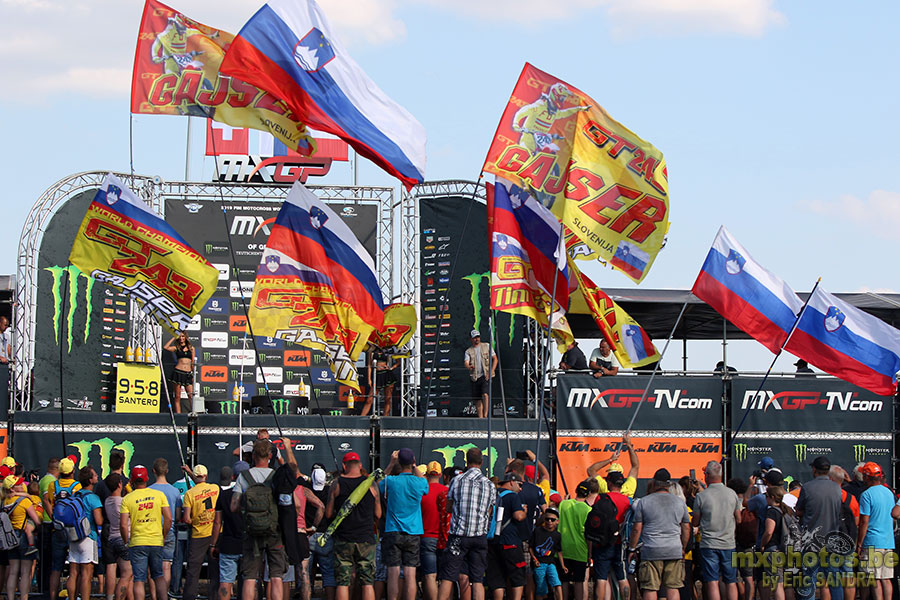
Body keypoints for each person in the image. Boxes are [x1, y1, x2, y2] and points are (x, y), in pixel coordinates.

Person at [230, 439, 290, 600]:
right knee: (276, 576)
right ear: (270, 456)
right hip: (274, 532)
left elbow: (233, 506)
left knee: (250, 577)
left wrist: (247, 512)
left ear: (253, 455)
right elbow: (289, 503)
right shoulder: (276, 476)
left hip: (251, 532)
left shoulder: (244, 477)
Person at [438, 448, 497, 600]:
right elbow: (490, 511)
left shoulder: (456, 480)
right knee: (477, 579)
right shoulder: (489, 485)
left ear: (466, 460)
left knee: (448, 576)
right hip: (479, 536)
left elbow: (449, 507)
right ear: (482, 462)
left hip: (458, 535)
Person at [627, 469, 691, 600]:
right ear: (668, 484)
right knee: (673, 587)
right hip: (674, 549)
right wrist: (683, 547)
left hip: (651, 550)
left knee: (650, 587)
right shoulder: (680, 503)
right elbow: (686, 528)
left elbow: (636, 529)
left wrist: (632, 549)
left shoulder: (644, 502)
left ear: (654, 483)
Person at [327, 451, 381, 600]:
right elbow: (378, 514)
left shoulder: (336, 484)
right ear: (360, 465)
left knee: (343, 582)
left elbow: (328, 514)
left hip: (343, 538)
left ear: (344, 466)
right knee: (368, 582)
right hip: (366, 538)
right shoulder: (371, 484)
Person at [380, 448, 428, 600]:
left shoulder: (391, 481)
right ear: (412, 462)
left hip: (393, 530)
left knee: (393, 572)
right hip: (413, 531)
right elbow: (425, 483)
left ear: (399, 463)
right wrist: (415, 466)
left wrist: (390, 464)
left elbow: (377, 482)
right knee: (410, 573)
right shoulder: (418, 482)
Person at [121, 465, 172, 600]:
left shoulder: (127, 499)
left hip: (137, 542)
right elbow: (169, 518)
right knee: (158, 576)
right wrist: (163, 535)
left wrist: (126, 541)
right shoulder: (158, 495)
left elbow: (123, 525)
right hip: (156, 540)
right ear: (147, 478)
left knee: (139, 579)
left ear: (132, 480)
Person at [692, 461, 741, 600]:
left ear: (707, 475)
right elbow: (738, 518)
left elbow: (695, 522)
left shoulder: (701, 497)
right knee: (731, 581)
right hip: (728, 543)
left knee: (712, 581)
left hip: (709, 544)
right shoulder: (732, 494)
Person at [794, 457, 842, 600]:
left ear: (814, 469)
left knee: (809, 579)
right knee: (834, 580)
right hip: (832, 540)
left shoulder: (807, 487)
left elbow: (798, 510)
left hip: (811, 542)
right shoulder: (837, 488)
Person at [590, 471, 632, 600]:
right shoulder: (627, 500)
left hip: (602, 542)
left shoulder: (601, 498)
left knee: (601, 578)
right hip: (620, 543)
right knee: (622, 577)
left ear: (609, 483)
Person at [486, 472, 527, 600]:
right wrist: (524, 511)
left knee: (497, 578)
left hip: (492, 542)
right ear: (511, 482)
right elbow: (518, 516)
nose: (520, 489)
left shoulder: (492, 494)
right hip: (510, 542)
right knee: (517, 576)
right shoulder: (512, 496)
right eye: (519, 485)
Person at [181, 464, 220, 600]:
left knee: (193, 570)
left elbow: (186, 518)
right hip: (215, 533)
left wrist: (195, 521)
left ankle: (189, 596)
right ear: (206, 476)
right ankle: (215, 596)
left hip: (198, 535)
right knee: (215, 570)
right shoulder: (215, 488)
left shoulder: (189, 494)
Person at [46, 456, 81, 600]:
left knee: (56, 568)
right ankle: (73, 597)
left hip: (57, 529)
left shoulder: (53, 485)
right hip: (73, 530)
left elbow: (48, 502)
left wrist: (54, 517)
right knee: (74, 568)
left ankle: (52, 597)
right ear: (72, 470)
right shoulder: (77, 486)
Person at [857, 462, 894, 600]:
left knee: (875, 578)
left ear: (866, 477)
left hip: (872, 541)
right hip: (888, 542)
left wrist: (859, 543)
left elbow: (864, 521)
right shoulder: (889, 493)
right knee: (886, 578)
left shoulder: (866, 495)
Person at [66, 467, 103, 600]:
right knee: (87, 574)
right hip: (88, 536)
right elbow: (98, 521)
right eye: (95, 475)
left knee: (73, 573)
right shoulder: (93, 498)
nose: (97, 476)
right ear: (90, 480)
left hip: (73, 536)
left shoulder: (75, 495)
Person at [212, 462, 247, 600]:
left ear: (233, 477)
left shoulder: (224, 495)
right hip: (247, 544)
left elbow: (217, 522)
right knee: (249, 582)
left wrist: (213, 544)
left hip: (228, 544)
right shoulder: (252, 495)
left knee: (225, 582)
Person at [3, 475, 41, 600]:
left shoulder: (5, 501)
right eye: (18, 484)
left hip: (10, 538)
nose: (22, 486)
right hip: (24, 536)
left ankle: (10, 597)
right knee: (25, 572)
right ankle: (23, 598)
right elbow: (36, 520)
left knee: (13, 571)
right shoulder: (24, 501)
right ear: (13, 488)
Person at [149, 458, 182, 595]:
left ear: (153, 471)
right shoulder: (174, 491)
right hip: (169, 530)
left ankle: (154, 596)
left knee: (152, 568)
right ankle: (165, 594)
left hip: (153, 530)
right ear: (167, 471)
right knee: (166, 566)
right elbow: (178, 515)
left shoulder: (148, 490)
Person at [558, 481, 592, 600]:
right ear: (588, 494)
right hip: (580, 549)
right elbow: (588, 535)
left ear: (576, 491)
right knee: (579, 581)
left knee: (564, 580)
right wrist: (589, 554)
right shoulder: (588, 510)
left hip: (563, 548)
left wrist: (565, 499)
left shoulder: (563, 504)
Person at [758, 486, 794, 600]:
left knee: (777, 584)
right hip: (786, 550)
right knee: (785, 584)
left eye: (766, 496)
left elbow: (769, 531)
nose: (766, 499)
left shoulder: (772, 511)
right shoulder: (787, 510)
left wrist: (762, 544)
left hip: (773, 550)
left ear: (772, 497)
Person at [421, 461, 448, 600]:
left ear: (426, 474)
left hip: (426, 537)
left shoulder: (422, 491)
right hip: (444, 538)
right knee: (446, 578)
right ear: (440, 475)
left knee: (430, 575)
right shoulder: (446, 491)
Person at [103, 473, 132, 600]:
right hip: (123, 538)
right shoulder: (123, 502)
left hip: (112, 538)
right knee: (126, 574)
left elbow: (119, 504)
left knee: (129, 574)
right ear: (120, 484)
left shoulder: (108, 501)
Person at [587, 433, 640, 497]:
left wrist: (610, 460)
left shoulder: (605, 488)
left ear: (609, 482)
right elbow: (635, 466)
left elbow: (591, 470)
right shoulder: (628, 489)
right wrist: (628, 444)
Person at [530, 508, 566, 600]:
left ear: (557, 521)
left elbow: (559, 551)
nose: (549, 521)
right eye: (547, 519)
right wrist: (534, 559)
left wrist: (563, 566)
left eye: (552, 520)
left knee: (557, 583)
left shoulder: (557, 535)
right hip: (539, 563)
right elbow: (530, 547)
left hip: (550, 563)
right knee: (541, 588)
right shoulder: (537, 531)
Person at [464, 330, 497, 419]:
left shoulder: (487, 346)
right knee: (477, 399)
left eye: (478, 337)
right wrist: (469, 366)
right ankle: (480, 418)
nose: (476, 339)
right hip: (475, 377)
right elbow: (466, 362)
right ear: (471, 339)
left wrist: (491, 371)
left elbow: (495, 359)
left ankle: (486, 415)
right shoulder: (468, 351)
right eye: (474, 338)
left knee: (485, 394)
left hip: (485, 375)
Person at [163, 331, 195, 413]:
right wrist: (174, 336)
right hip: (178, 372)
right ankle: (179, 415)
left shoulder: (191, 348)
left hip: (187, 373)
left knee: (191, 395)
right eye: (180, 336)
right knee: (177, 396)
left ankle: (193, 413)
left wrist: (192, 372)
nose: (181, 338)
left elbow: (193, 362)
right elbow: (166, 347)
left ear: (186, 337)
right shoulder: (176, 347)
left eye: (183, 336)